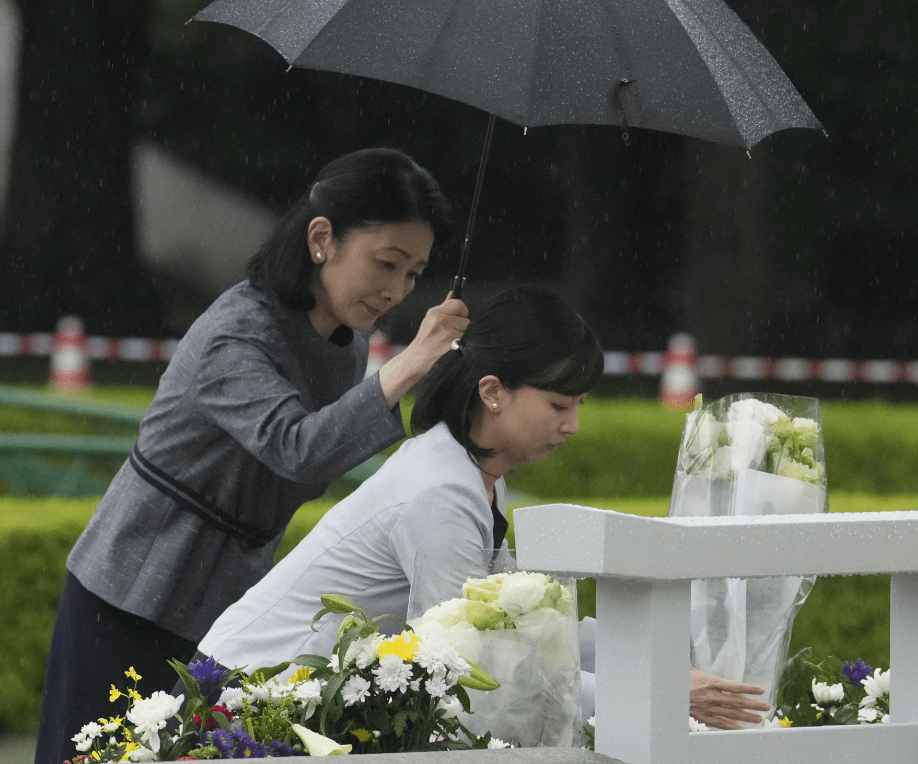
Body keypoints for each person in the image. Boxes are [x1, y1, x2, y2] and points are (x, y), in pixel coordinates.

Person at [34, 148, 468, 764]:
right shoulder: (237, 330)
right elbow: (297, 449)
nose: (397, 290)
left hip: (231, 603)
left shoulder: (347, 342)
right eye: (387, 263)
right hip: (133, 590)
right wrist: (409, 365)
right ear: (322, 239)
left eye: (414, 273)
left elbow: (321, 452)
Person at [195, 286, 770, 731]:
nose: (573, 425)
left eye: (578, 405)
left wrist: (662, 664)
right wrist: (658, 690)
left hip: (285, 696)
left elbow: (525, 636)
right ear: (492, 392)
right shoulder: (442, 493)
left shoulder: (474, 473)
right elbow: (470, 669)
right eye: (559, 405)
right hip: (243, 701)